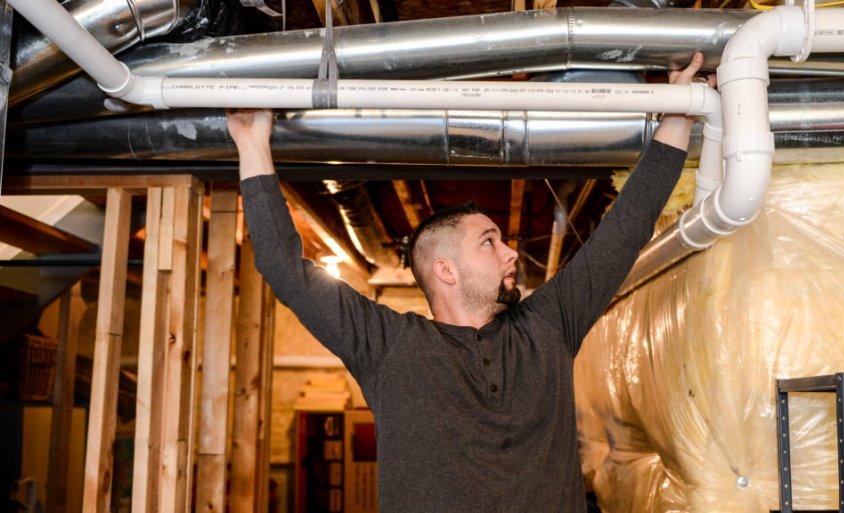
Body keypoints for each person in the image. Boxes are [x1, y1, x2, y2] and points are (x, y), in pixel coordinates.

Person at [228, 52, 713, 513]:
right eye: (489, 242)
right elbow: (284, 267)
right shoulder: (389, 347)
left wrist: (679, 115)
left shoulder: (548, 326)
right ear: (446, 270)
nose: (510, 252)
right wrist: (252, 144)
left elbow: (622, 233)